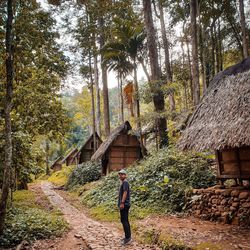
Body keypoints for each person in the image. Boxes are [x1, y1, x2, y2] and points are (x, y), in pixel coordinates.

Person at [118, 169, 131, 245]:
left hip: (125, 204)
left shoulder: (125, 183)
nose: (121, 175)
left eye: (122, 174)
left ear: (125, 175)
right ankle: (128, 237)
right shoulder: (123, 183)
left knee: (124, 221)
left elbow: (125, 193)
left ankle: (128, 238)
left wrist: (122, 203)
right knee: (125, 220)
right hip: (125, 204)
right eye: (120, 174)